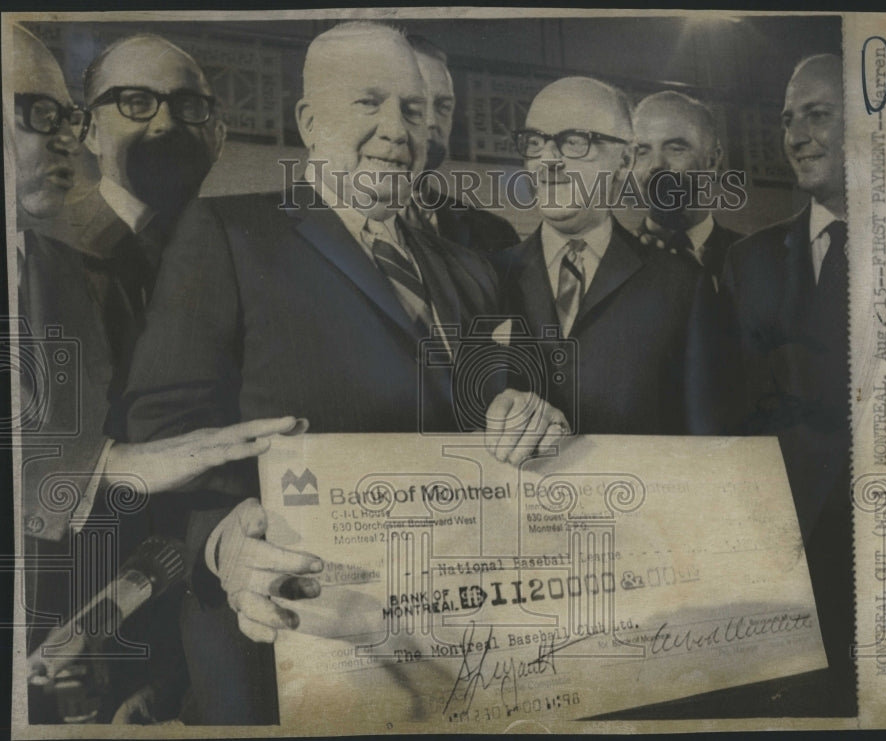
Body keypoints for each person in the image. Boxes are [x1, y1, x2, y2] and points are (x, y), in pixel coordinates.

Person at [122, 21, 567, 724]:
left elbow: (495, 410)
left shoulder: (473, 271)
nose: (398, 130)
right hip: (278, 639)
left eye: (415, 111)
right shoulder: (227, 234)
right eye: (369, 103)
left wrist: (530, 414)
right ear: (308, 120)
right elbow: (161, 436)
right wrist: (219, 542)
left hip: (443, 641)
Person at [7, 26, 297, 723]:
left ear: (220, 132)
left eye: (189, 105)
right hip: (72, 637)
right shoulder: (50, 258)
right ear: (92, 128)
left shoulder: (260, 265)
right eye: (134, 102)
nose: (166, 121)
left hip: (203, 619)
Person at [696, 53, 854, 714]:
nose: (794, 135)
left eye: (818, 114)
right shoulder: (750, 261)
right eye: (788, 119)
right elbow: (729, 420)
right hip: (786, 570)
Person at [490, 77, 700, 434]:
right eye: (535, 142)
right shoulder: (487, 277)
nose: (547, 160)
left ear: (625, 159)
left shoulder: (681, 285)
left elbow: (709, 443)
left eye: (574, 141)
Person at [404, 34, 520, 253]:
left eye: (443, 106)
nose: (431, 122)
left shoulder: (495, 234)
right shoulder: (330, 228)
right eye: (414, 104)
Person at [632, 90, 742, 289]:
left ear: (712, 160)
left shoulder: (753, 258)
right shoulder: (609, 260)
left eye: (675, 148)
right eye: (642, 151)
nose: (656, 164)